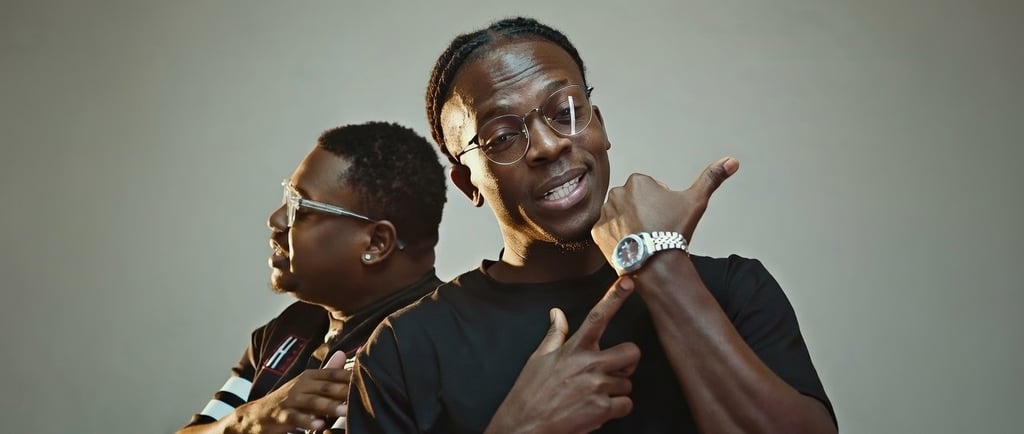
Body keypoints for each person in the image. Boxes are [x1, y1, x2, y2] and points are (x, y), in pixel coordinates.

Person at [347, 17, 836, 434]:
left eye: (565, 112)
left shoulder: (735, 290)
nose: (548, 145)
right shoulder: (403, 350)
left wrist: (661, 266)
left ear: (598, 124)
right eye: (502, 137)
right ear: (466, 182)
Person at [177, 121, 447, 434]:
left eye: (300, 208)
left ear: (375, 243)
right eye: (287, 197)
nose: (276, 220)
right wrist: (248, 419)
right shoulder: (288, 328)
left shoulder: (431, 343)